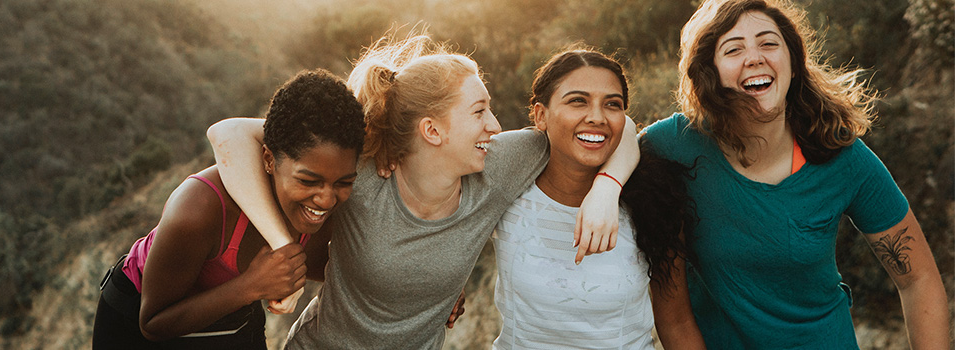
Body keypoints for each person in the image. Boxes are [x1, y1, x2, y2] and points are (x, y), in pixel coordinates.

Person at [207, 34, 638, 349]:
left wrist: (606, 188)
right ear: (431, 130)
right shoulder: (362, 170)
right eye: (479, 111)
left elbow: (620, 126)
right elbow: (228, 134)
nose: (496, 126)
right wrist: (285, 251)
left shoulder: (500, 163)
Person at [643, 0, 951, 348]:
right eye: (733, 49)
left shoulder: (840, 155)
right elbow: (614, 137)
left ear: (792, 63)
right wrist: (606, 188)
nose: (755, 57)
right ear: (709, 70)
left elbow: (918, 278)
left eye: (769, 43)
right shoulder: (676, 144)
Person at [92, 69, 366, 349]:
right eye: (309, 181)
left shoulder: (320, 214)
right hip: (139, 319)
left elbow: (344, 272)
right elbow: (153, 323)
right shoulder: (199, 209)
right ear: (269, 159)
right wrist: (252, 286)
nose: (326, 199)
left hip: (231, 314)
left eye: (344, 182)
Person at [491, 48, 704, 349]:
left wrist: (607, 188)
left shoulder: (654, 203)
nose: (596, 117)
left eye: (612, 105)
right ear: (541, 116)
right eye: (578, 101)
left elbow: (677, 323)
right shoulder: (508, 190)